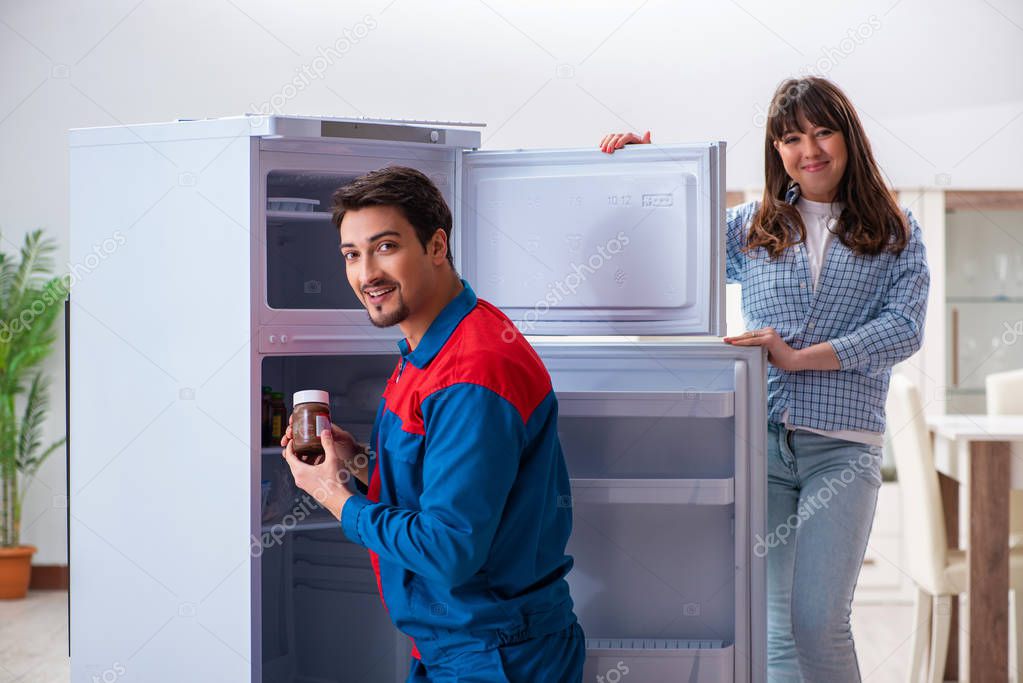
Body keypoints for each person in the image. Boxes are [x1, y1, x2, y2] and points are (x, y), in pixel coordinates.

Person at [601, 77, 930, 682]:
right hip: (762, 445)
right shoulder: (753, 226)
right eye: (791, 138)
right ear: (777, 150)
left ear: (848, 137)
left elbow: (904, 331)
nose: (810, 150)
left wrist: (800, 358)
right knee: (775, 626)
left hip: (843, 449)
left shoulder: (895, 230)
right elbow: (666, 250)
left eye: (822, 131)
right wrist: (644, 172)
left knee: (819, 622)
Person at [280, 166, 585, 682]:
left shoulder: (471, 371)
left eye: (385, 247)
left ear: (436, 246)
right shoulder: (435, 346)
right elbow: (448, 481)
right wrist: (358, 462)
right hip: (458, 646)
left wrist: (335, 497)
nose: (366, 273)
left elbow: (449, 549)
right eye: (352, 255)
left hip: (496, 654)